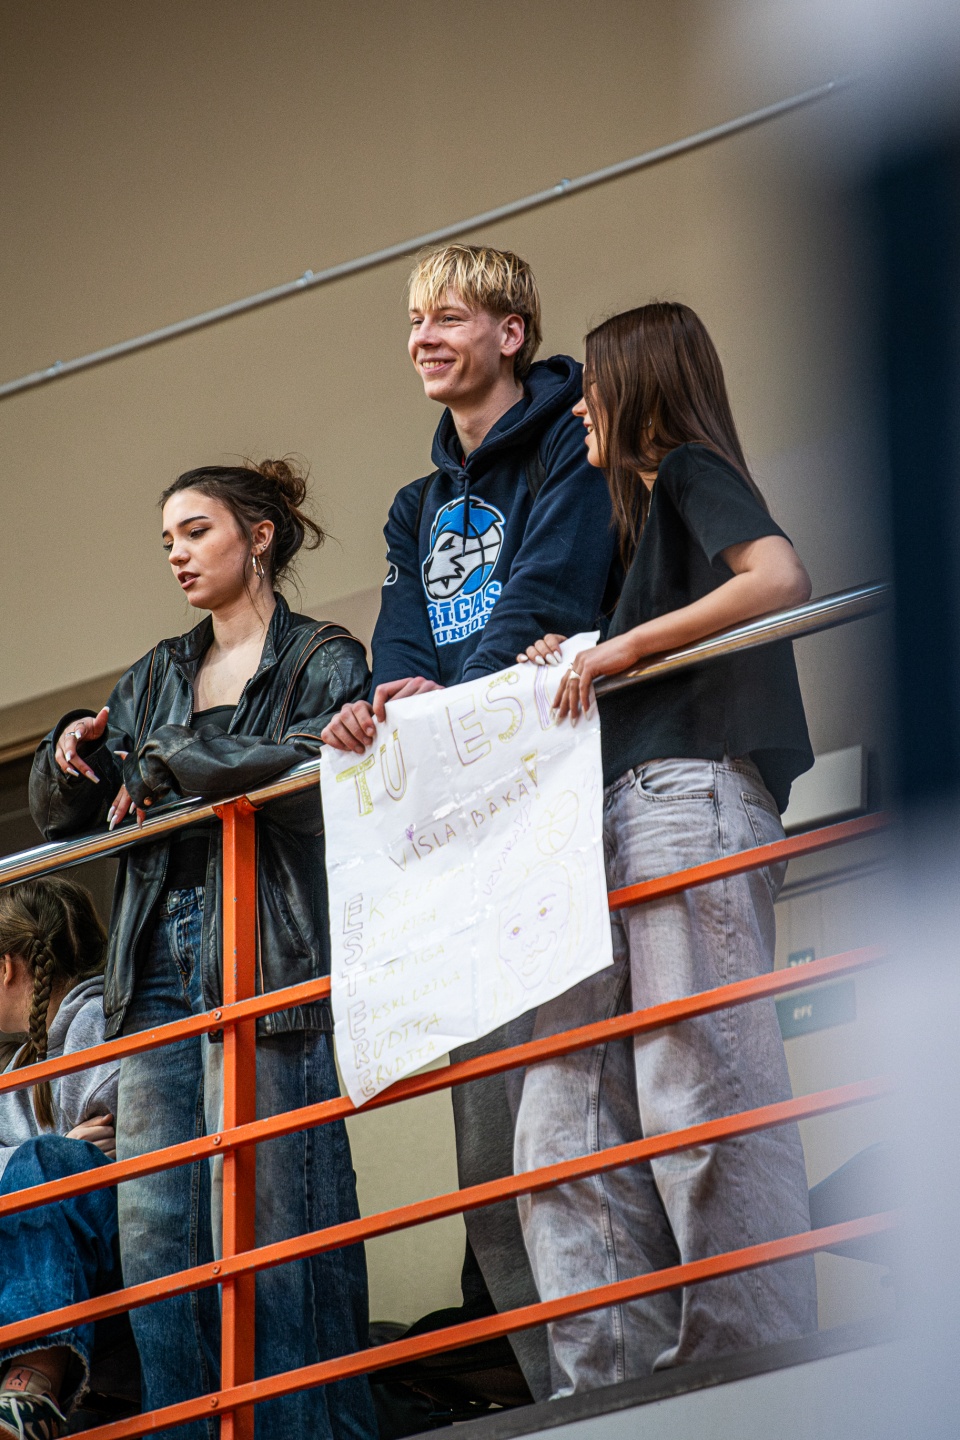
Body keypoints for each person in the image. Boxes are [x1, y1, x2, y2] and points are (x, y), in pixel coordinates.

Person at [321, 244, 618, 1401]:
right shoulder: (416, 506)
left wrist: (449, 709)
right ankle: (561, 1402)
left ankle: (631, 1391)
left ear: (511, 331)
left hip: (556, 813)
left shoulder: (569, 440)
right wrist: (387, 706)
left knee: (575, 1136)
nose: (423, 339)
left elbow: (551, 593)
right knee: (490, 1170)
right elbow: (400, 643)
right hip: (465, 839)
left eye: (447, 317)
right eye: (412, 323)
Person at [30, 460, 376, 1440]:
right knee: (159, 1243)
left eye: (197, 531)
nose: (178, 554)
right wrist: (68, 749)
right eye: (168, 541)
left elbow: (319, 771)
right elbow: (65, 814)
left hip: (263, 957)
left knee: (279, 1222)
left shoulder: (322, 656)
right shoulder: (154, 674)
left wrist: (174, 757)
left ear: (258, 536)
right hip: (153, 973)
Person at [513, 302, 818, 1396]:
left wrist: (621, 650)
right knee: (562, 1128)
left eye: (592, 388)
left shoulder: (688, 466)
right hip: (622, 807)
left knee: (699, 1090)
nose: (578, 410)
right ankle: (608, 1385)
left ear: (637, 385)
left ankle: (753, 1366)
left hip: (689, 792)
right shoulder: (640, 526)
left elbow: (778, 578)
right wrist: (588, 649)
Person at [0, 876, 119, 1440]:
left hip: (111, 1258)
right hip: (46, 1260)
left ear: (5, 968)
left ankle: (31, 1387)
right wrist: (65, 1146)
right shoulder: (18, 1066)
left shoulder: (99, 1021)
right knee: (42, 1162)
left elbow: (133, 1132)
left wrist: (53, 1159)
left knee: (45, 1168)